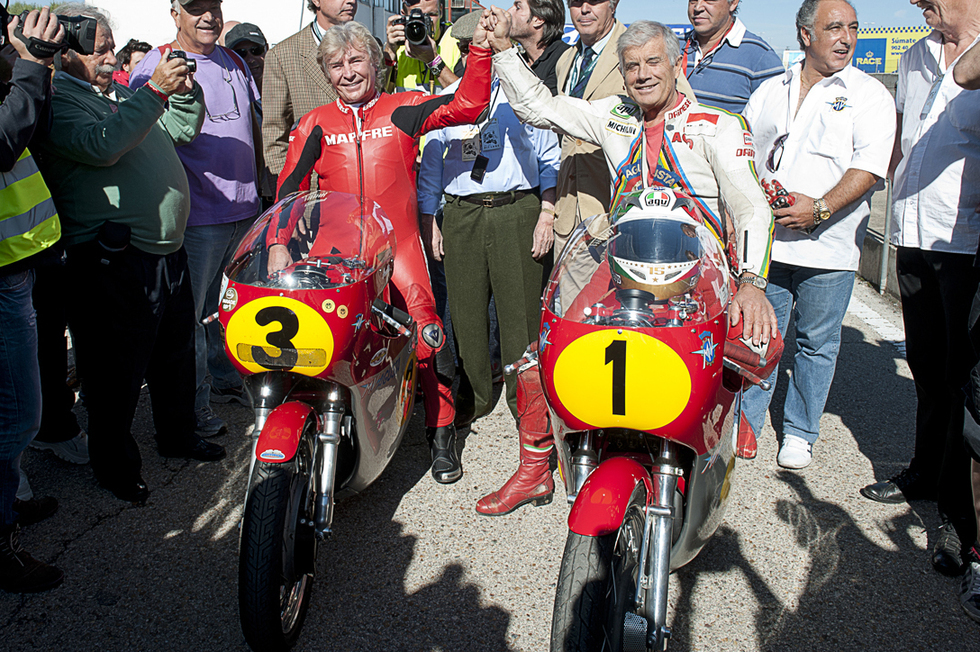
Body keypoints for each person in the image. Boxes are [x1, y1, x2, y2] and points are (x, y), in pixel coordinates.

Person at [480, 12, 776, 514]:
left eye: (653, 62)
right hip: (623, 261)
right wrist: (505, 48)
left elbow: (751, 206)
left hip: (695, 270)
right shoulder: (614, 114)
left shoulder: (719, 126)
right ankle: (535, 468)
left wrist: (752, 282)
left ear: (677, 61)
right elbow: (539, 108)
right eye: (632, 65)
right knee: (544, 353)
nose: (642, 74)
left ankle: (724, 414)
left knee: (746, 342)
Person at [275, 20, 492, 484]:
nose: (348, 72)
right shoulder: (315, 122)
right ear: (326, 73)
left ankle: (440, 436)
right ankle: (335, 429)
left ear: (376, 63)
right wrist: (277, 245)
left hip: (402, 249)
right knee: (334, 341)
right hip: (337, 256)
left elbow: (470, 105)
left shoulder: (404, 108)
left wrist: (480, 52)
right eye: (337, 65)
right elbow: (289, 190)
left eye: (356, 61)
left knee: (428, 337)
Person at [33, 4, 224, 507]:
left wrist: (183, 93)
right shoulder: (58, 101)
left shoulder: (118, 91)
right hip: (110, 259)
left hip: (164, 250)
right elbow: (102, 146)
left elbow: (180, 131)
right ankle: (115, 466)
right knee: (113, 372)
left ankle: (177, 435)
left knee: (174, 355)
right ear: (66, 53)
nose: (110, 57)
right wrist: (156, 91)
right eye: (99, 50)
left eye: (111, 47)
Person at [739, 0, 894, 468]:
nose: (845, 38)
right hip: (767, 244)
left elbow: (868, 167)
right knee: (758, 337)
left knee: (816, 343)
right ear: (805, 35)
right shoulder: (770, 90)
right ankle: (746, 423)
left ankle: (801, 431)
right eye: (833, 28)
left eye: (852, 28)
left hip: (829, 246)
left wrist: (821, 209)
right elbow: (744, 151)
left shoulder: (869, 95)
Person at [859, 0, 980, 581]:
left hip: (967, 244)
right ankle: (925, 471)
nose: (916, 4)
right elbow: (902, 143)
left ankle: (961, 517)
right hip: (911, 233)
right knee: (928, 369)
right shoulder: (913, 57)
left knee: (966, 383)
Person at [418, 11, 560, 454]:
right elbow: (430, 172)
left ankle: (528, 404)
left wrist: (546, 214)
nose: (471, 56)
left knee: (520, 313)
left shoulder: (524, 97)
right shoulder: (444, 100)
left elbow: (550, 156)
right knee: (465, 312)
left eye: (480, 45)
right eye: (462, 49)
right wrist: (431, 223)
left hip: (516, 209)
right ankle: (476, 397)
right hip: (462, 215)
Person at [130, 0, 262, 436]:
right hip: (199, 215)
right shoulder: (156, 64)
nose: (207, 16)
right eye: (195, 8)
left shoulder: (235, 61)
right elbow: (143, 132)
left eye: (213, 6)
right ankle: (193, 405)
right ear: (174, 14)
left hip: (244, 211)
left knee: (226, 312)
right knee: (190, 319)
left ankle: (224, 382)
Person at [0, 7, 65, 594]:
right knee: (17, 415)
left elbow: (30, 136)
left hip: (16, 266)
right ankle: (1, 545)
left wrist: (29, 71)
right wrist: (26, 67)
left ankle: (7, 511)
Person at [262, 0, 357, 201]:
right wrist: (288, 201)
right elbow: (274, 137)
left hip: (368, 194)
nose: (351, 0)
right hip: (312, 199)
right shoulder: (283, 56)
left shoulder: (366, 46)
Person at [550, 0, 625, 255]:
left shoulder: (637, 49)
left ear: (613, 4)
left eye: (593, 1)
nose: (583, 9)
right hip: (568, 219)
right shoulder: (566, 60)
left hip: (615, 216)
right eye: (575, 2)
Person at [681, 0, 783, 113]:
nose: (698, 7)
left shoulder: (761, 56)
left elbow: (774, 120)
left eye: (709, 0)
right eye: (693, 0)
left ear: (733, 3)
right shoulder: (671, 46)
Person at [384, 0, 461, 93]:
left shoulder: (457, 42)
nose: (424, 23)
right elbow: (379, 94)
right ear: (403, 15)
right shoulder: (399, 44)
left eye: (431, 15)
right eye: (418, 18)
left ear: (440, 11)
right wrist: (390, 51)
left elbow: (466, 97)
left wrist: (434, 62)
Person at [506, 0, 569, 95]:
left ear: (538, 19)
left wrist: (502, 47)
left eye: (518, 7)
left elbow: (540, 105)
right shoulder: (520, 59)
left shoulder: (565, 58)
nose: (509, 11)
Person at [225, 22, 267, 90]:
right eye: (241, 53)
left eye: (256, 50)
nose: (251, 60)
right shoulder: (228, 92)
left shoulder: (283, 84)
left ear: (267, 49)